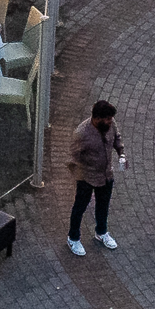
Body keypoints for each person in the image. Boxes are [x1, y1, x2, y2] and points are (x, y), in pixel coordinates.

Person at [64, 97, 120, 255]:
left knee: (103, 206)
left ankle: (101, 233)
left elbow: (116, 138)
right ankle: (73, 238)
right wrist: (80, 175)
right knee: (80, 208)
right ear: (97, 118)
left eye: (111, 119)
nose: (111, 122)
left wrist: (121, 152)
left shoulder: (110, 124)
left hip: (106, 175)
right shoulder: (81, 134)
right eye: (107, 119)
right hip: (86, 178)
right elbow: (72, 158)